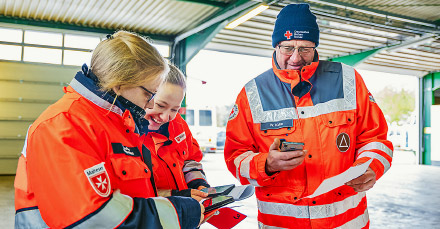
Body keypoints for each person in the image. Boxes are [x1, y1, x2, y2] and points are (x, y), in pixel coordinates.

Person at [224, 3, 393, 228]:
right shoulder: (251, 93)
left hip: (346, 222)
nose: (295, 58)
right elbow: (236, 157)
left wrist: (371, 167)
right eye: (287, 48)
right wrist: (267, 164)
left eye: (305, 48)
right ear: (275, 46)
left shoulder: (348, 80)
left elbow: (375, 139)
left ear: (315, 47)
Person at [14, 31, 204, 229]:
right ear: (119, 83)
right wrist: (178, 213)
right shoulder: (63, 125)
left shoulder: (117, 123)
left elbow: (131, 195)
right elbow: (92, 219)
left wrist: (177, 200)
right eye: (149, 94)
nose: (150, 104)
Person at [144, 64, 210, 202]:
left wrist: (199, 185)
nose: (165, 117)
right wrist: (175, 197)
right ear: (145, 95)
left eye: (174, 109)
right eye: (160, 105)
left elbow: (190, 160)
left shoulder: (179, 125)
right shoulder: (125, 133)